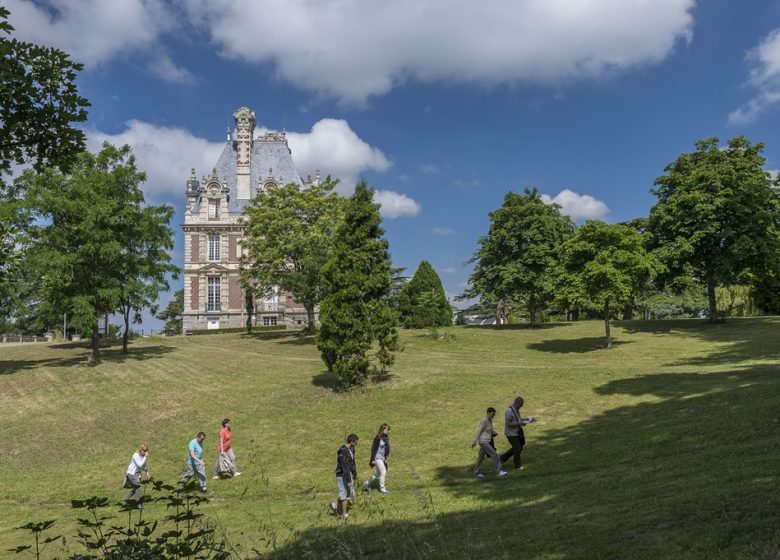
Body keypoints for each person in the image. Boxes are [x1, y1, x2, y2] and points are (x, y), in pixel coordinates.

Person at [499, 396, 535, 470]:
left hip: (517, 432)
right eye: (520, 405)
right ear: (517, 402)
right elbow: (508, 424)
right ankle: (517, 466)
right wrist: (519, 424)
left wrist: (528, 419)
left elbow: (518, 419)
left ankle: (501, 459)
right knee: (517, 448)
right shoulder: (509, 411)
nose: (521, 407)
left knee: (518, 447)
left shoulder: (516, 410)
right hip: (511, 434)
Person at [329, 433, 358, 519]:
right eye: (356, 442)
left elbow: (352, 463)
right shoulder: (342, 450)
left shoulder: (352, 449)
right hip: (342, 475)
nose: (357, 444)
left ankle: (334, 505)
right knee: (344, 495)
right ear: (352, 442)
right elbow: (344, 465)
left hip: (348, 474)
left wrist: (354, 474)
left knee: (349, 493)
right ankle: (344, 514)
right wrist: (349, 480)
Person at [472, 408, 507, 478]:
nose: (493, 416)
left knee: (481, 457)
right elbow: (479, 431)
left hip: (487, 441)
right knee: (494, 454)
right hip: (483, 441)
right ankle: (499, 471)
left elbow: (488, 430)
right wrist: (474, 441)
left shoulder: (490, 421)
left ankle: (477, 472)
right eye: (492, 414)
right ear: (488, 413)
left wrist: (493, 433)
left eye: (494, 414)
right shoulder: (484, 421)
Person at [364, 423, 390, 493]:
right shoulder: (377, 438)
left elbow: (386, 448)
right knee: (383, 472)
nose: (388, 431)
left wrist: (386, 458)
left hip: (382, 457)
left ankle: (366, 484)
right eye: (387, 430)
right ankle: (382, 488)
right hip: (377, 457)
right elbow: (373, 449)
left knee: (378, 473)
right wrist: (372, 459)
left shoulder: (386, 438)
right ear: (382, 429)